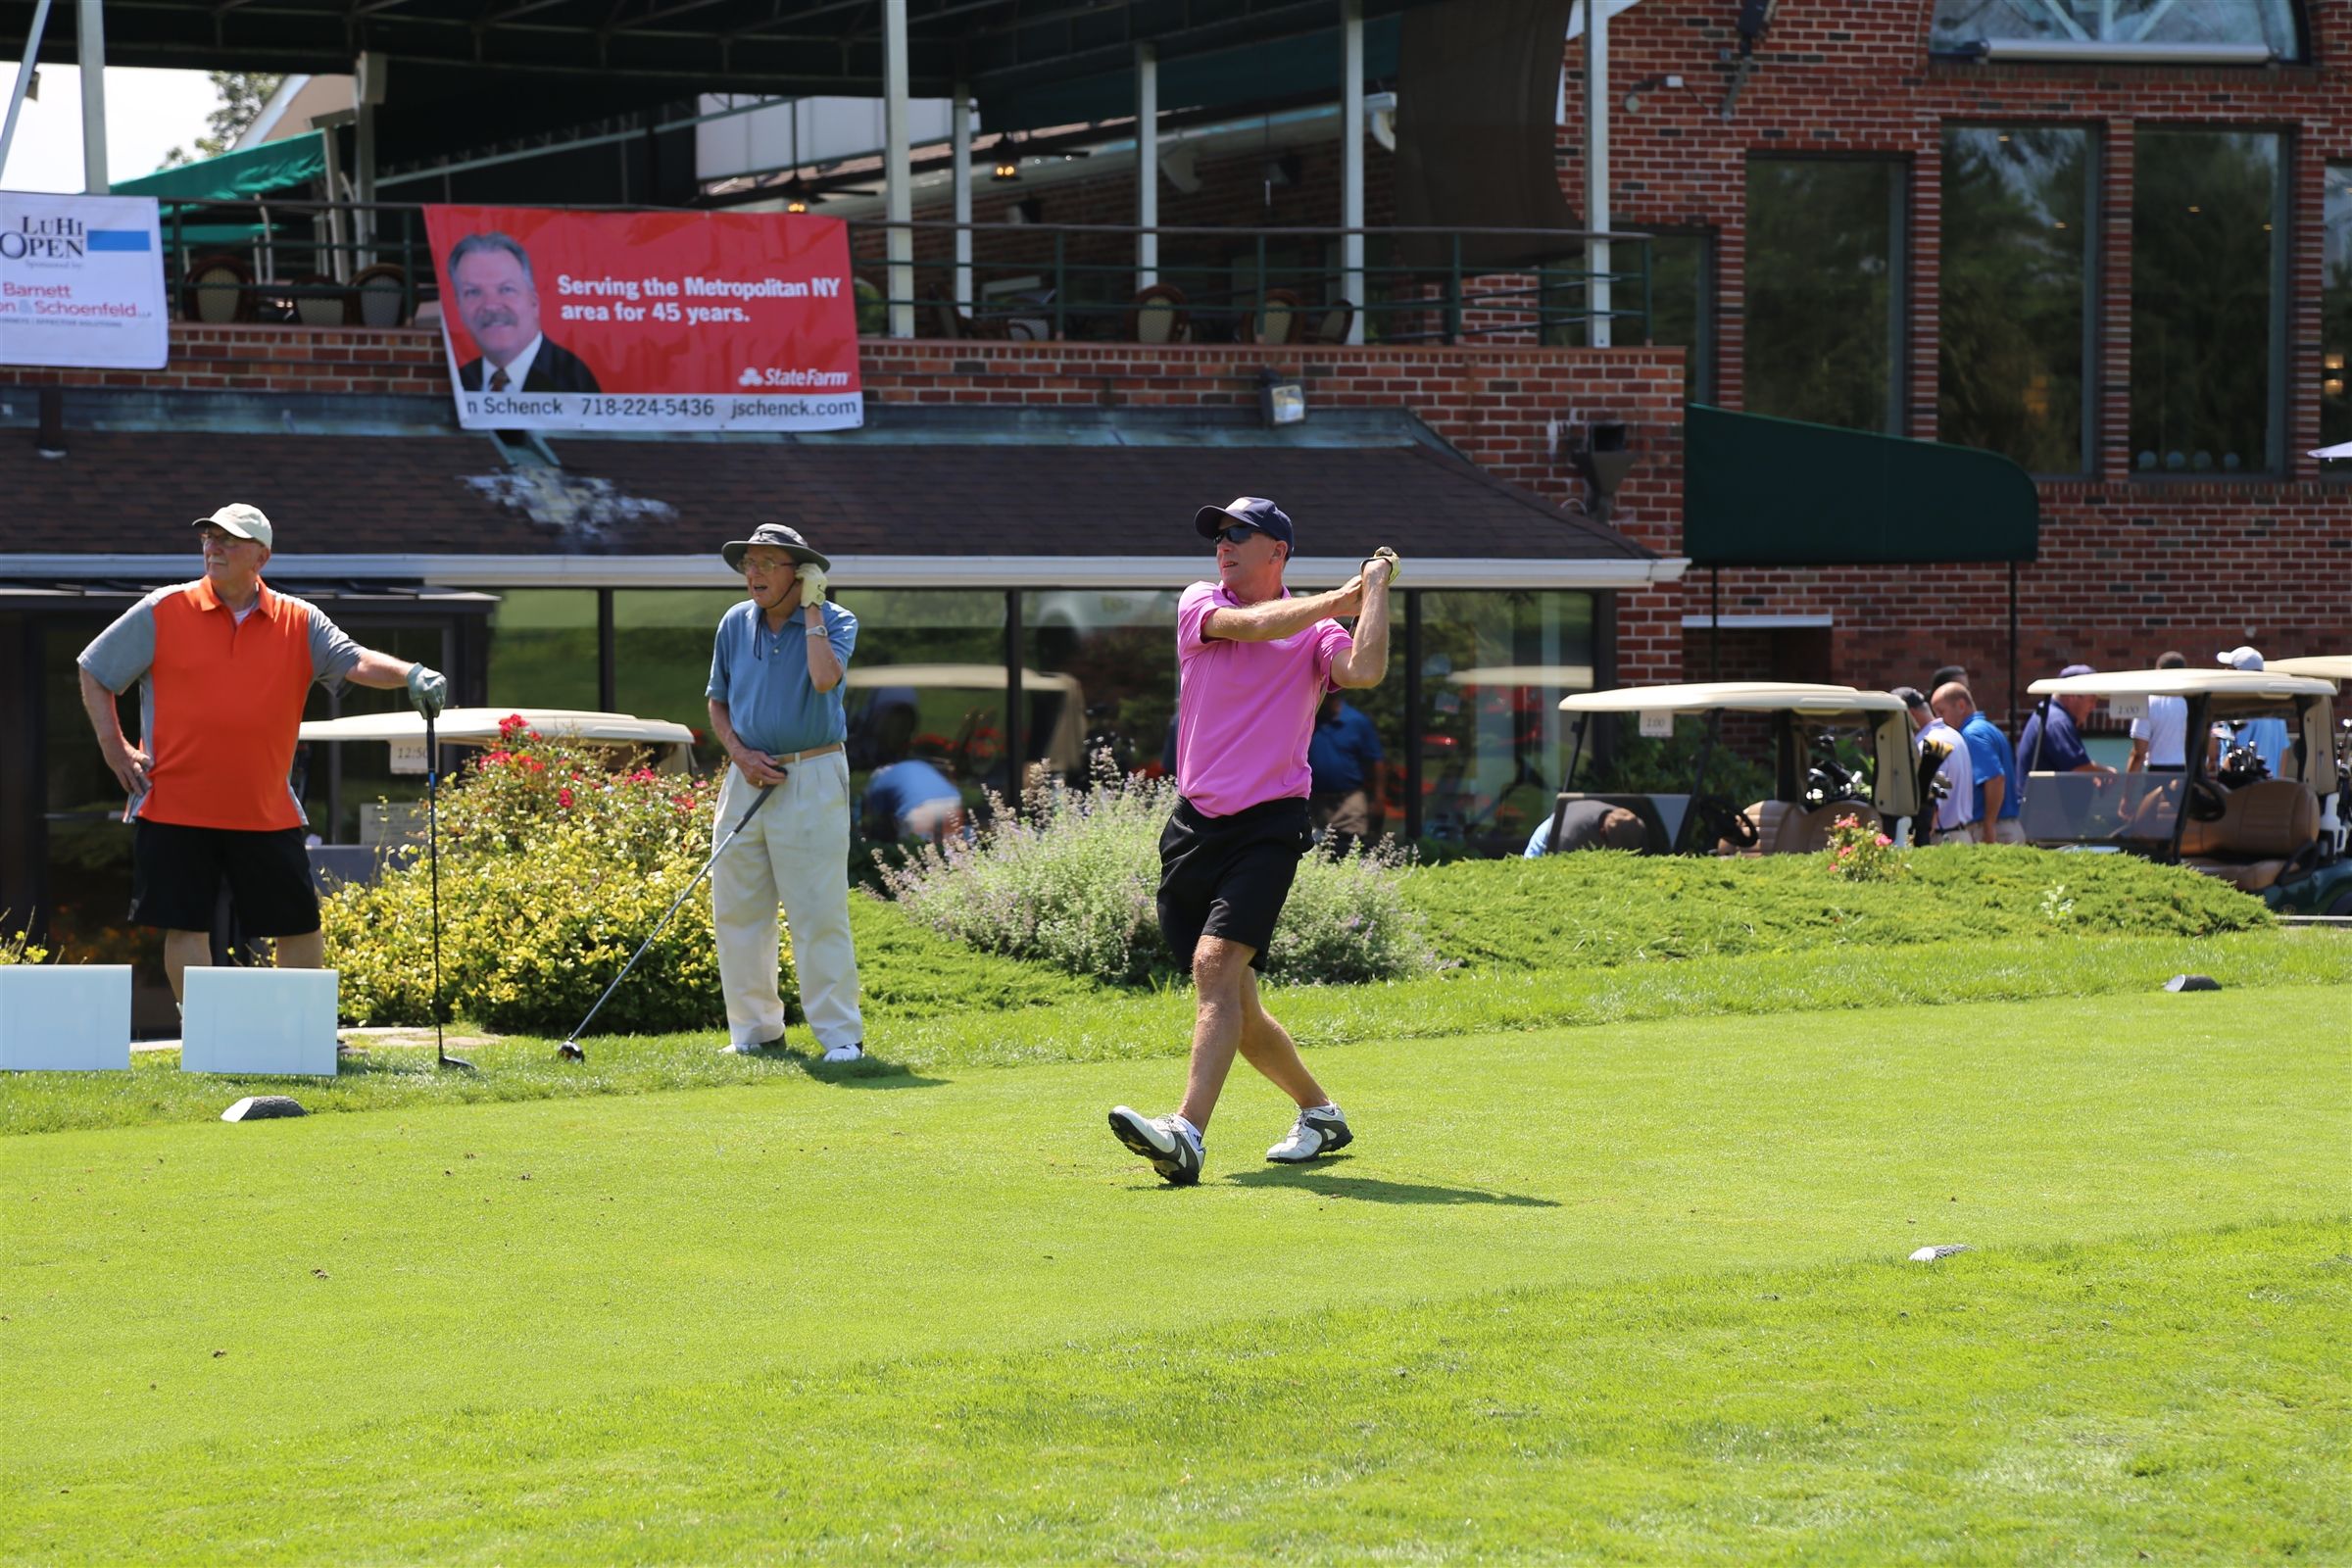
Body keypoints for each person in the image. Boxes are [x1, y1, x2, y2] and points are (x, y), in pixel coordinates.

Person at [1108, 498, 1395, 1186]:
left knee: (1215, 969)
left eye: (1240, 535)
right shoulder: (1202, 603)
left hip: (1269, 824)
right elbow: (1256, 625)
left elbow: (1366, 670)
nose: (1223, 546)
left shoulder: (1319, 636)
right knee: (1236, 1000)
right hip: (1192, 826)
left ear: (1278, 552)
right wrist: (1344, 596)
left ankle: (1187, 1135)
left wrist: (1375, 593)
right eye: (1219, 536)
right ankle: (1319, 1112)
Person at [75, 504, 447, 1003]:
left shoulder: (300, 620)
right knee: (187, 927)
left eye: (230, 540)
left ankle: (299, 1028)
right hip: (173, 804)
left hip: (265, 809)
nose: (214, 547)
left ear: (262, 556)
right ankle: (203, 1035)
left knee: (296, 924)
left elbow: (356, 660)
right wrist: (114, 747)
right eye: (209, 537)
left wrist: (410, 674)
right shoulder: (164, 609)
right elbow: (95, 671)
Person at [705, 523, 864, 1062]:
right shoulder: (733, 623)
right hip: (746, 776)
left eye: (767, 564)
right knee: (738, 908)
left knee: (817, 910)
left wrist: (814, 610)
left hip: (813, 773)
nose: (753, 575)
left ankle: (842, 1038)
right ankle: (756, 1033)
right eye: (748, 564)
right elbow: (717, 703)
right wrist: (739, 754)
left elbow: (824, 680)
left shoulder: (836, 621)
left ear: (800, 573)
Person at [447, 232, 603, 394]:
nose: (491, 305)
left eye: (506, 289)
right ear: (458, 306)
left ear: (534, 302)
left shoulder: (575, 378)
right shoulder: (456, 383)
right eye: (473, 292)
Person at [1931, 681, 2024, 844]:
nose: (1937, 719)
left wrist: (1989, 825)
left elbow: (1995, 778)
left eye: (1941, 712)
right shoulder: (1986, 728)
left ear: (1961, 705)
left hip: (1993, 829)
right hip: (2004, 825)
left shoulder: (1971, 734)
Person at [1306, 691, 1385, 856]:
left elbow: (1376, 761)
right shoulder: (1311, 720)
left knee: (1351, 849)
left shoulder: (1356, 722)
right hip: (1315, 800)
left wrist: (1378, 797)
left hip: (1349, 799)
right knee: (1316, 851)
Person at [1895, 686, 1975, 845]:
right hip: (1962, 835)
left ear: (1909, 714)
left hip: (1940, 839)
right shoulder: (1954, 735)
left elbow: (1932, 802)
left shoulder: (1926, 745)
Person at [2019, 663, 2115, 777]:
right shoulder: (2058, 722)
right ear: (2072, 695)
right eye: (2092, 699)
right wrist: (2108, 773)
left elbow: (2074, 762)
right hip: (2042, 795)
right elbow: (2078, 768)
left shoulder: (2052, 716)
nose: (2094, 706)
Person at [863, 743, 967, 845]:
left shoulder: (878, 782)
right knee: (952, 851)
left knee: (913, 853)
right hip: (952, 801)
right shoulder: (917, 764)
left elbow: (875, 817)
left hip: (920, 808)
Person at [2214, 646, 2292, 777]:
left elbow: (2235, 760)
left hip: (2243, 792)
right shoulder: (2277, 713)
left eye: (2229, 668)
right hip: (2272, 790)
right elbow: (2284, 755)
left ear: (2238, 673)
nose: (2225, 671)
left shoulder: (2242, 712)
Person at [2127, 651, 2190, 772]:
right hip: (2189, 771)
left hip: (2159, 772)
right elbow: (2211, 750)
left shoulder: (2149, 703)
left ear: (2159, 671)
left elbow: (2138, 753)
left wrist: (2127, 789)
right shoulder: (2195, 702)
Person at [1522, 800, 1646, 858]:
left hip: (1571, 817)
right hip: (1548, 835)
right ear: (1602, 832)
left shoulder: (1624, 819)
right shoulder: (1571, 839)